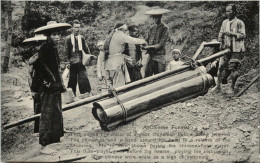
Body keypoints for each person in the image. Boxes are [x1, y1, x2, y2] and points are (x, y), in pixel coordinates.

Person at [34, 21, 71, 150]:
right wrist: (51, 78)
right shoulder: (44, 48)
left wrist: (60, 81)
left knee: (56, 109)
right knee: (47, 111)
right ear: (48, 35)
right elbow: (42, 65)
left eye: (58, 35)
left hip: (55, 83)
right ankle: (45, 140)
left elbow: (56, 67)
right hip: (49, 84)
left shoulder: (53, 48)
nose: (57, 37)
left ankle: (55, 136)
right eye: (54, 35)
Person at [103, 22, 147, 88]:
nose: (125, 32)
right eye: (125, 30)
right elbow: (133, 40)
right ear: (123, 29)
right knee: (119, 83)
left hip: (111, 62)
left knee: (113, 82)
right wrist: (143, 41)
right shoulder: (120, 35)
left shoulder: (114, 35)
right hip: (116, 62)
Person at [214, 4, 246, 93]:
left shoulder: (239, 22)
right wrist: (220, 41)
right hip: (226, 49)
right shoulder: (224, 22)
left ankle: (232, 87)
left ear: (234, 12)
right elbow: (220, 34)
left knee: (234, 69)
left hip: (236, 49)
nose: (227, 13)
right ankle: (218, 86)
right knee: (220, 67)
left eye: (229, 11)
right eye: (226, 11)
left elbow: (243, 35)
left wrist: (232, 33)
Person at [23, 34, 47, 135]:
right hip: (37, 86)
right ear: (35, 46)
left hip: (46, 85)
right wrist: (32, 89)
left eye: (42, 44)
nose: (40, 47)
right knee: (38, 108)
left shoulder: (46, 56)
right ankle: (37, 130)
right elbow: (30, 76)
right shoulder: (33, 59)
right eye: (38, 45)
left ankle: (46, 129)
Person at [65, 20, 92, 97]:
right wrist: (67, 62)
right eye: (76, 27)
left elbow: (86, 48)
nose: (77, 29)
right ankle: (71, 95)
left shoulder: (82, 38)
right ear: (72, 28)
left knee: (83, 78)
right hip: (72, 61)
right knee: (72, 79)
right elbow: (66, 51)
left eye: (78, 27)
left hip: (81, 61)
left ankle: (85, 94)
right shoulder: (68, 38)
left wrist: (89, 58)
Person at [143, 8, 170, 77]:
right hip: (151, 56)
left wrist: (148, 47)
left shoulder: (165, 28)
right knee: (147, 77)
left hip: (159, 57)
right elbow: (147, 39)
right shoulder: (152, 28)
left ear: (159, 17)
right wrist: (143, 44)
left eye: (155, 18)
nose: (153, 19)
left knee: (159, 77)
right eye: (153, 18)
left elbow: (160, 44)